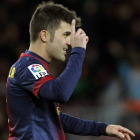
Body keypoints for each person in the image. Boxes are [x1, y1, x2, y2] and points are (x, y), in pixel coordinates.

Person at [6, 1, 135, 140]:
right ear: (45, 36)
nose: (69, 42)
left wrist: (103, 128)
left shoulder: (35, 68)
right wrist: (78, 51)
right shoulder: (27, 66)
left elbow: (57, 120)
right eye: (65, 35)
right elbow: (61, 93)